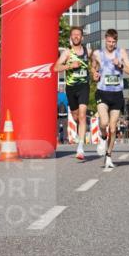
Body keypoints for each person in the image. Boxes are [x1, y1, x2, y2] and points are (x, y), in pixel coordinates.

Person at [90, 29, 129, 168]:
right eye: (109, 41)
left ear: (116, 41)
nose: (111, 44)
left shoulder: (121, 53)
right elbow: (93, 69)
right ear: (105, 40)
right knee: (104, 122)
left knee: (113, 129)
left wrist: (120, 65)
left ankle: (108, 156)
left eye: (113, 42)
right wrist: (94, 75)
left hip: (116, 94)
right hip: (102, 92)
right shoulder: (98, 54)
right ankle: (102, 138)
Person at [54, 26, 91, 160]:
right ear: (71, 37)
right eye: (74, 35)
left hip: (84, 86)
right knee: (76, 117)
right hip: (71, 87)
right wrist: (70, 66)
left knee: (82, 115)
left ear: (82, 37)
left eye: (78, 35)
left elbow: (95, 63)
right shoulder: (67, 53)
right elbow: (55, 67)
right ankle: (80, 128)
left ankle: (80, 148)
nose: (76, 37)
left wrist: (95, 71)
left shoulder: (88, 51)